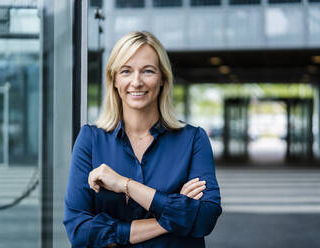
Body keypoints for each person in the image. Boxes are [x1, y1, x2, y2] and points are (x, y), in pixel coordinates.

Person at [63, 31, 222, 248]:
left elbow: (204, 218)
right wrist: (173, 217)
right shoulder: (90, 140)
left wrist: (124, 184)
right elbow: (80, 232)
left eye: (148, 71)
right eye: (126, 71)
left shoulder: (193, 139)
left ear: (163, 80)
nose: (136, 82)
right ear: (114, 80)